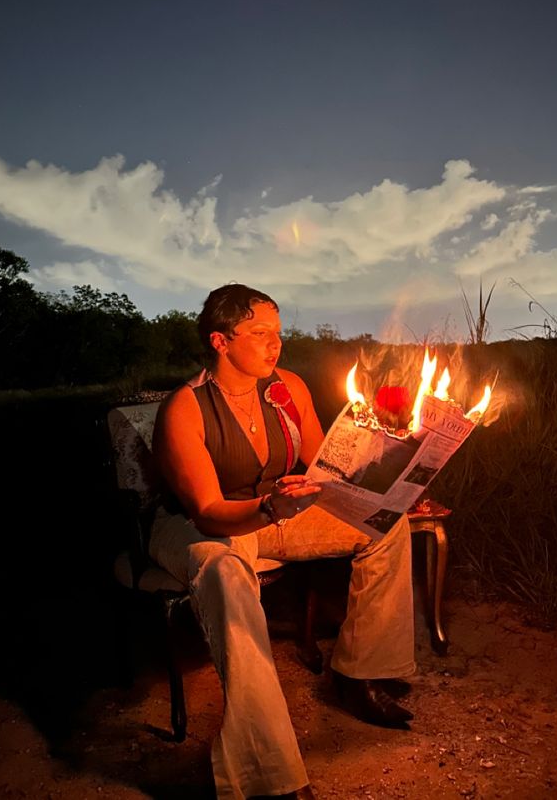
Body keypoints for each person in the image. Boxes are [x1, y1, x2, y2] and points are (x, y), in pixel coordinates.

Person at [151, 283, 415, 800]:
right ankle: (265, 773)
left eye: (278, 332)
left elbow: (324, 469)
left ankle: (361, 675)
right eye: (260, 334)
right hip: (201, 523)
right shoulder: (184, 408)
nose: (276, 344)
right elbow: (207, 512)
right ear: (221, 341)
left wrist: (386, 473)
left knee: (386, 525)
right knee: (226, 573)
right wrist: (273, 507)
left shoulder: (288, 387)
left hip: (273, 512)